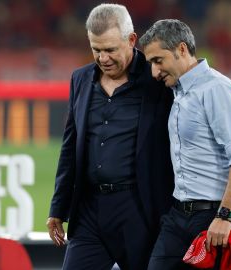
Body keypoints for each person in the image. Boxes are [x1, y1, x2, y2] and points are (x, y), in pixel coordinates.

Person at [46, 4, 174, 270]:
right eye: (96, 49)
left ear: (131, 40)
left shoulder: (157, 81)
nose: (103, 58)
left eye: (110, 50)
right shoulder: (80, 79)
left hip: (138, 210)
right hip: (89, 211)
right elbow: (70, 148)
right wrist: (58, 208)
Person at [139, 19, 231, 270]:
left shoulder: (217, 90)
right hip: (180, 216)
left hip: (219, 217)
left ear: (182, 50)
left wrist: (224, 217)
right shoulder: (179, 91)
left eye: (158, 61)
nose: (155, 72)